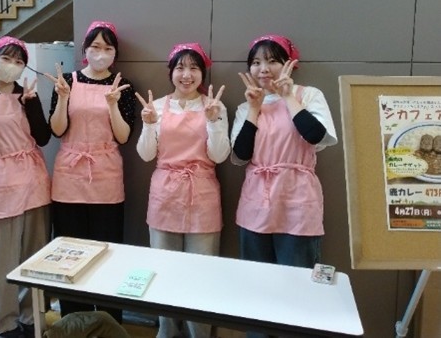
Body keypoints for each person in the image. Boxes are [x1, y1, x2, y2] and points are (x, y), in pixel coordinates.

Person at [230, 34, 337, 338]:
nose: (263, 69)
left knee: (298, 285)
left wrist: (288, 97)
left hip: (297, 200)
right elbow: (240, 155)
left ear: (290, 64)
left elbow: (316, 136)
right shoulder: (246, 106)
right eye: (256, 62)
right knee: (257, 285)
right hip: (256, 201)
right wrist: (254, 109)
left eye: (272, 61)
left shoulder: (309, 95)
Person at [135, 42, 230, 338]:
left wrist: (214, 121)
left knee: (201, 273)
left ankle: (199, 334)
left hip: (202, 192)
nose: (186, 74)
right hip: (165, 193)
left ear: (202, 74)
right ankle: (167, 332)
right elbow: (146, 155)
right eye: (180, 67)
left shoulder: (215, 106)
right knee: (163, 270)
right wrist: (148, 125)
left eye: (193, 68)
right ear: (170, 72)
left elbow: (219, 155)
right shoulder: (157, 107)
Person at [46, 20, 136, 323]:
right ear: (84, 50)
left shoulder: (122, 86)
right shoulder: (66, 81)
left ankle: (109, 321)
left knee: (108, 252)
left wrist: (112, 105)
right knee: (70, 253)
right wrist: (62, 98)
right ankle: (74, 321)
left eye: (107, 47)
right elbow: (57, 130)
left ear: (115, 53)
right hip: (69, 176)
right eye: (95, 46)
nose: (101, 53)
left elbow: (123, 136)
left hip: (106, 174)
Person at [0, 36, 52, 338]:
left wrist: (32, 104)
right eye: (6, 58)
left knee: (34, 253)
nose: (12, 65)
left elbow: (43, 137)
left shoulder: (28, 95)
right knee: (2, 257)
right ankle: (2, 322)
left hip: (34, 180)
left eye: (19, 61)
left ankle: (30, 315)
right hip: (2, 181)